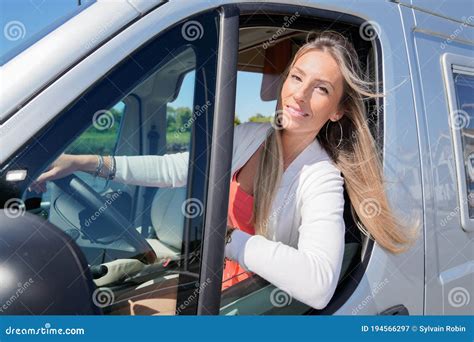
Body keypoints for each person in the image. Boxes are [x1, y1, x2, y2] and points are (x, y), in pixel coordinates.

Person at [29, 31, 416, 309]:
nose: (299, 93)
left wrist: (222, 235)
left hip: (249, 297)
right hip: (205, 273)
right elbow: (177, 169)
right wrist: (85, 162)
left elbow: (317, 286)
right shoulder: (251, 135)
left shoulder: (321, 176)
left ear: (336, 110)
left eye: (321, 88)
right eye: (296, 77)